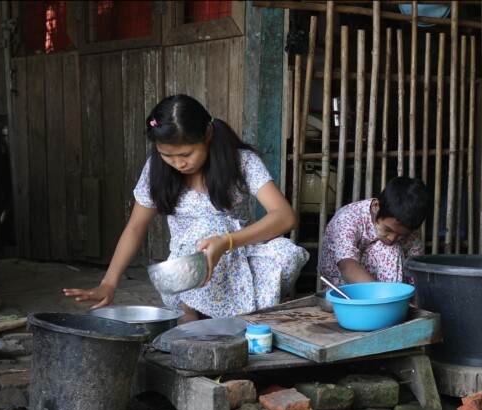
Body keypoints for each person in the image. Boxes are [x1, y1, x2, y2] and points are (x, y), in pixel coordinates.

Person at [64, 94, 309, 323]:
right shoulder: (156, 169)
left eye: (186, 154)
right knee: (205, 224)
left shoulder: (241, 161)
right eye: (167, 156)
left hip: (236, 263)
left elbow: (284, 216)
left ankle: (233, 317)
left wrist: (226, 242)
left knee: (286, 255)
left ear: (208, 133)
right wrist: (109, 282)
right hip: (187, 276)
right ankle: (192, 319)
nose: (178, 164)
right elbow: (135, 228)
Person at [318, 176, 429, 287]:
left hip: (388, 289)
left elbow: (415, 270)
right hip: (340, 286)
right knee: (390, 250)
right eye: (388, 229)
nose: (392, 238)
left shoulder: (409, 224)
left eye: (402, 235)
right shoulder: (348, 218)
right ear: (376, 207)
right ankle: (385, 301)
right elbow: (347, 266)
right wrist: (380, 295)